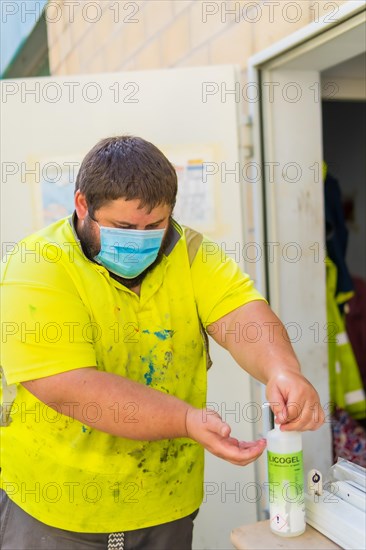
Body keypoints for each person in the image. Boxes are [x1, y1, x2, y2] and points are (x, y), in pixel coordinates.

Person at [0, 136, 324, 550]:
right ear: (82, 205)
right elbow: (70, 388)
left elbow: (242, 314)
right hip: (58, 511)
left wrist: (283, 371)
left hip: (166, 503)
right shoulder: (37, 265)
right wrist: (187, 421)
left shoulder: (188, 253)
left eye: (155, 225)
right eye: (124, 227)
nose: (141, 239)